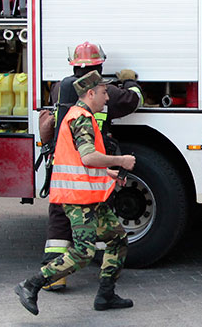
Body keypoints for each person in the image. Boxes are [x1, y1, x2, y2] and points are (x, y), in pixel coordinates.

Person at [15, 71, 137, 315]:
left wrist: (109, 175)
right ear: (90, 93)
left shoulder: (82, 115)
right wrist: (121, 160)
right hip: (78, 199)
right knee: (84, 252)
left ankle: (106, 295)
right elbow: (89, 157)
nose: (107, 99)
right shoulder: (81, 118)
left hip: (89, 197)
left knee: (117, 239)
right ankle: (31, 285)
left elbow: (81, 163)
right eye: (104, 93)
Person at [39, 42, 142, 291]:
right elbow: (134, 100)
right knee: (96, 215)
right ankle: (104, 275)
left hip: (62, 164)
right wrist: (129, 82)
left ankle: (55, 278)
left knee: (59, 217)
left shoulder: (59, 90)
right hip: (89, 167)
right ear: (100, 65)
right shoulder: (106, 92)